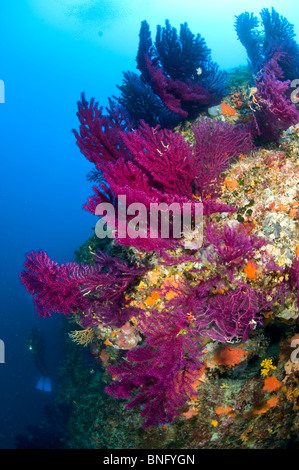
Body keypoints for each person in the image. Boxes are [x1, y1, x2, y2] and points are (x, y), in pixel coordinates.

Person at [27, 328, 51, 392]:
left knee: (40, 363)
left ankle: (45, 373)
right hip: (37, 352)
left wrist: (33, 349)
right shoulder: (33, 336)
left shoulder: (35, 336)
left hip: (38, 352)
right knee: (40, 363)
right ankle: (45, 373)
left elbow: (43, 344)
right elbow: (29, 344)